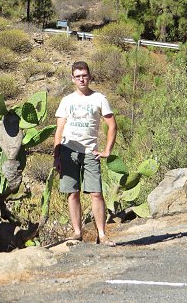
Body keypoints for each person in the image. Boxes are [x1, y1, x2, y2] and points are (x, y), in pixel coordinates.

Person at [53, 61, 117, 246]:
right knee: (72, 193)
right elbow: (59, 130)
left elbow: (112, 125)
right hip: (68, 150)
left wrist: (107, 150)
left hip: (90, 151)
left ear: (90, 76)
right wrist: (57, 156)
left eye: (84, 75)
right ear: (72, 79)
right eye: (78, 76)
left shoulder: (99, 99)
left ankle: (102, 234)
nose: (81, 79)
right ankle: (77, 232)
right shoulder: (67, 100)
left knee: (96, 193)